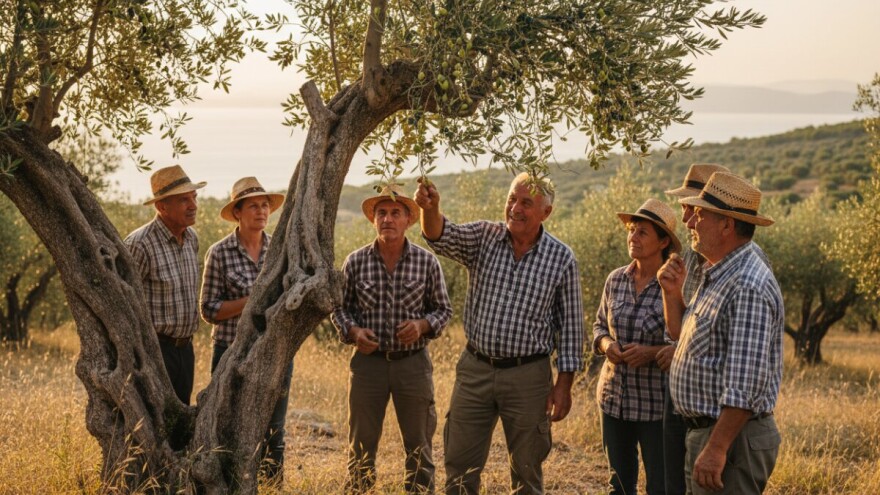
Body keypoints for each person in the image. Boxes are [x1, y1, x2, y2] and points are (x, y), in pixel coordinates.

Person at [415, 172, 585, 495]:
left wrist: (564, 386)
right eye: (511, 199)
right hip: (475, 369)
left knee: (527, 474)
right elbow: (440, 236)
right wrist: (430, 208)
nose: (515, 209)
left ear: (546, 212)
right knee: (460, 471)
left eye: (526, 203)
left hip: (529, 378)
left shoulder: (562, 258)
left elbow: (572, 329)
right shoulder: (484, 236)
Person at [659, 172, 783, 494]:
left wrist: (716, 448)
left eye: (699, 215)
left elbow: (744, 383)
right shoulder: (719, 272)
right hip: (710, 435)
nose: (689, 223)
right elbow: (686, 338)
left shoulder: (746, 285)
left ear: (727, 225)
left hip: (729, 442)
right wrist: (672, 294)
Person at [331, 184, 453, 494]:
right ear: (373, 219)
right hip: (367, 366)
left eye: (395, 213)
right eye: (381, 213)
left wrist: (423, 325)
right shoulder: (355, 262)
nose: (388, 219)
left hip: (412, 365)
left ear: (409, 220)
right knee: (360, 446)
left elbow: (443, 310)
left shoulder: (427, 263)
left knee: (419, 445)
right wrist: (355, 332)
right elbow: (340, 311)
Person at [199, 176, 290, 481]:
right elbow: (209, 309)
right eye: (253, 205)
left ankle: (272, 485)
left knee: (274, 428)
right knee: (226, 426)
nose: (261, 211)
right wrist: (250, 302)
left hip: (274, 352)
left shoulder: (281, 250)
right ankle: (229, 484)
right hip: (230, 350)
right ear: (237, 212)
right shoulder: (220, 253)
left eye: (265, 205)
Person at [593, 199, 682, 495]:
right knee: (618, 484)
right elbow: (599, 328)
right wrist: (607, 346)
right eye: (632, 230)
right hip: (613, 398)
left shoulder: (674, 286)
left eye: (642, 232)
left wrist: (651, 353)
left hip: (655, 405)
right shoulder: (616, 279)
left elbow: (682, 342)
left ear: (664, 241)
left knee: (660, 485)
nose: (633, 237)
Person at [658, 163, 730, 495]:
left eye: (692, 208)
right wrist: (670, 294)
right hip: (680, 403)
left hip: (715, 411)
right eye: (686, 208)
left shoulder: (734, 269)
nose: (686, 218)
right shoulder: (689, 256)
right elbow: (678, 331)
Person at [125, 165, 205, 406]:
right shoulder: (139, 244)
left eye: (194, 197)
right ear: (161, 207)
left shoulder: (192, 239)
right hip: (155, 350)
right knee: (155, 416)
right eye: (184, 200)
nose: (193, 205)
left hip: (185, 349)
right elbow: (124, 304)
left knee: (179, 418)